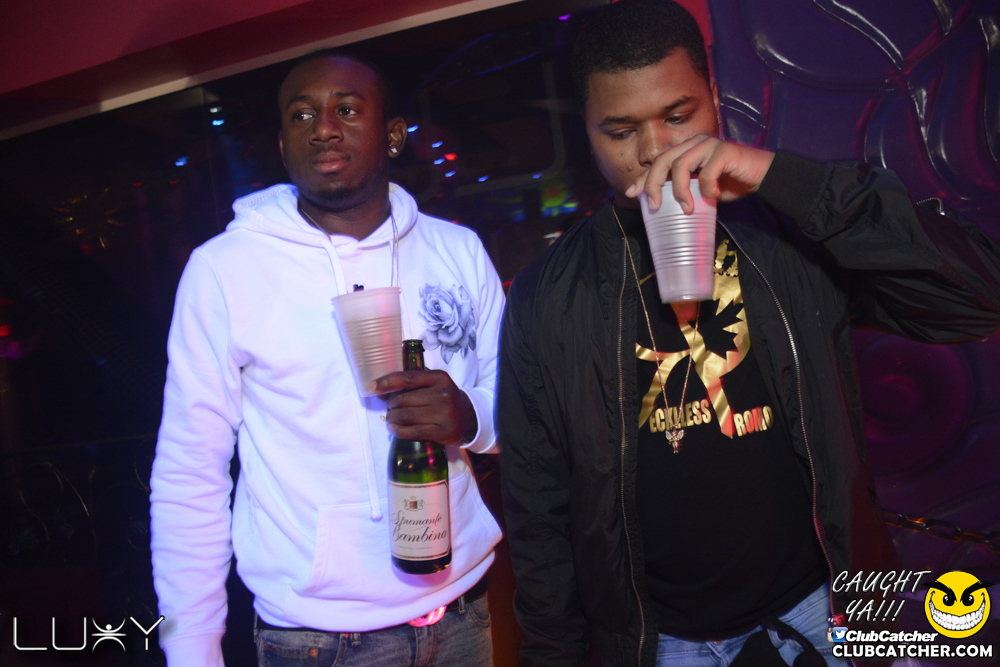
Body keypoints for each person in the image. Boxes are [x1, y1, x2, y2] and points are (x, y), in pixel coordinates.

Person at [496, 1, 1000, 666]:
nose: (654, 150)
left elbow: (977, 298)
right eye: (620, 130)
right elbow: (539, 513)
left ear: (714, 97)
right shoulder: (546, 298)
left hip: (834, 601)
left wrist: (778, 178)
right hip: (663, 640)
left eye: (679, 116)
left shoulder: (788, 231)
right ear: (586, 129)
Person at [150, 50, 504, 666]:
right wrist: (192, 649)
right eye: (302, 115)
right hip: (316, 640)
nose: (323, 128)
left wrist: (470, 417)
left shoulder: (458, 250)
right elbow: (190, 470)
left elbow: (527, 408)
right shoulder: (224, 270)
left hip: (463, 613)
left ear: (393, 135)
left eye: (347, 109)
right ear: (283, 146)